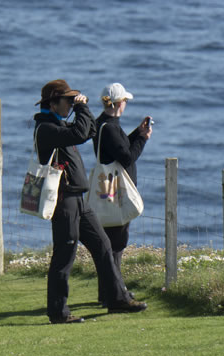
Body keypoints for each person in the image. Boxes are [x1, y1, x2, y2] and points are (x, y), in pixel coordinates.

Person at [33, 79, 148, 324]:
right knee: (64, 255)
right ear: (53, 103)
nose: (70, 104)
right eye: (67, 100)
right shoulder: (46, 129)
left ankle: (117, 299)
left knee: (103, 245)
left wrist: (79, 110)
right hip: (64, 201)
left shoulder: (56, 125)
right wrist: (83, 107)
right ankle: (58, 313)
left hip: (79, 200)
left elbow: (89, 131)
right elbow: (80, 133)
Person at [94, 82, 152, 305]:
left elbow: (119, 146)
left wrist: (136, 133)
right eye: (125, 101)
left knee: (112, 239)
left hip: (107, 188)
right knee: (117, 241)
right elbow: (127, 156)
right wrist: (142, 139)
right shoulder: (110, 127)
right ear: (119, 104)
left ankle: (110, 290)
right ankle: (115, 293)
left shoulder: (103, 124)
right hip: (117, 191)